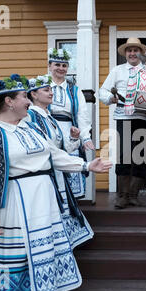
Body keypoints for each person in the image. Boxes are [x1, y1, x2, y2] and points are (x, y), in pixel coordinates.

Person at [0, 74, 112, 291]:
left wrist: (86, 165)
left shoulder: (30, 128)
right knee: (20, 255)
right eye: (24, 96)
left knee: (43, 255)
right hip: (18, 205)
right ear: (9, 102)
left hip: (44, 203)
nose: (28, 101)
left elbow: (54, 156)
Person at [26, 74, 94, 250]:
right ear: (33, 95)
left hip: (56, 175)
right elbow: (48, 152)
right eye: (46, 90)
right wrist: (85, 165)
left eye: (51, 90)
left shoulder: (49, 118)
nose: (51, 93)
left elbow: (62, 150)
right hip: (46, 177)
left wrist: (73, 138)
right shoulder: (31, 118)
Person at [99, 37, 146, 209]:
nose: (132, 53)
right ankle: (123, 196)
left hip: (143, 118)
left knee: (141, 157)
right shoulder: (117, 71)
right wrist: (110, 98)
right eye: (130, 50)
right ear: (126, 53)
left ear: (140, 53)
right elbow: (102, 91)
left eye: (136, 50)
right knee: (124, 157)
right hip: (123, 117)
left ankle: (134, 196)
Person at [48, 47, 94, 199]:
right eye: (57, 65)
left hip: (70, 133)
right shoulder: (42, 87)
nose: (61, 68)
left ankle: (71, 211)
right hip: (47, 131)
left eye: (64, 65)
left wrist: (85, 137)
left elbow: (82, 115)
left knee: (70, 168)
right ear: (50, 66)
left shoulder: (74, 90)